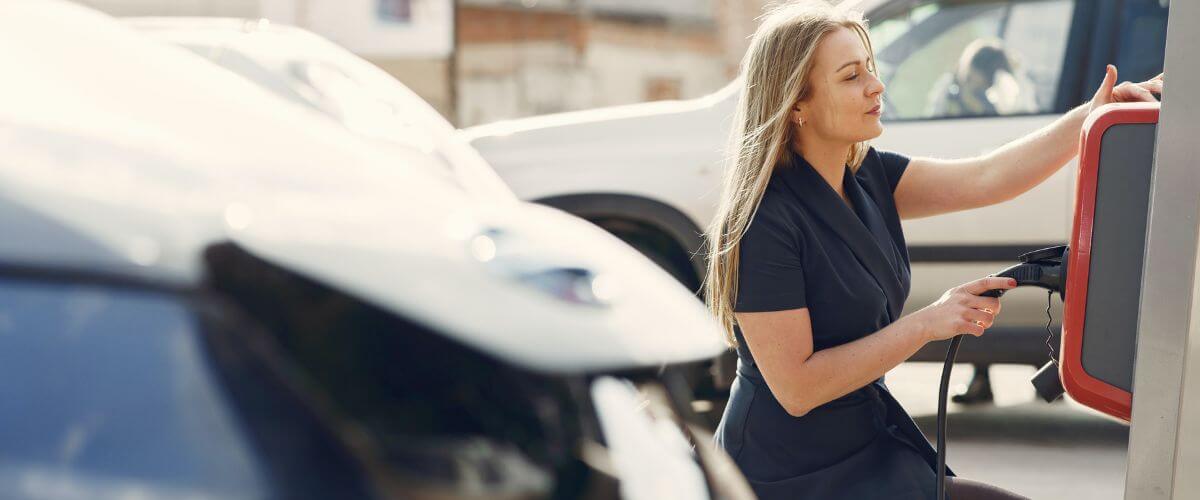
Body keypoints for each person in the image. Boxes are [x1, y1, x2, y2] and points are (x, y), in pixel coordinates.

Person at [703, 2, 1163, 499]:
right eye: (851, 76)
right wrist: (929, 321)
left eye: (871, 68)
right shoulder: (764, 221)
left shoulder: (868, 176)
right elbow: (797, 389)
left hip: (866, 441)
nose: (876, 85)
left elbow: (988, 178)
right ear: (797, 104)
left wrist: (1091, 118)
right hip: (784, 472)